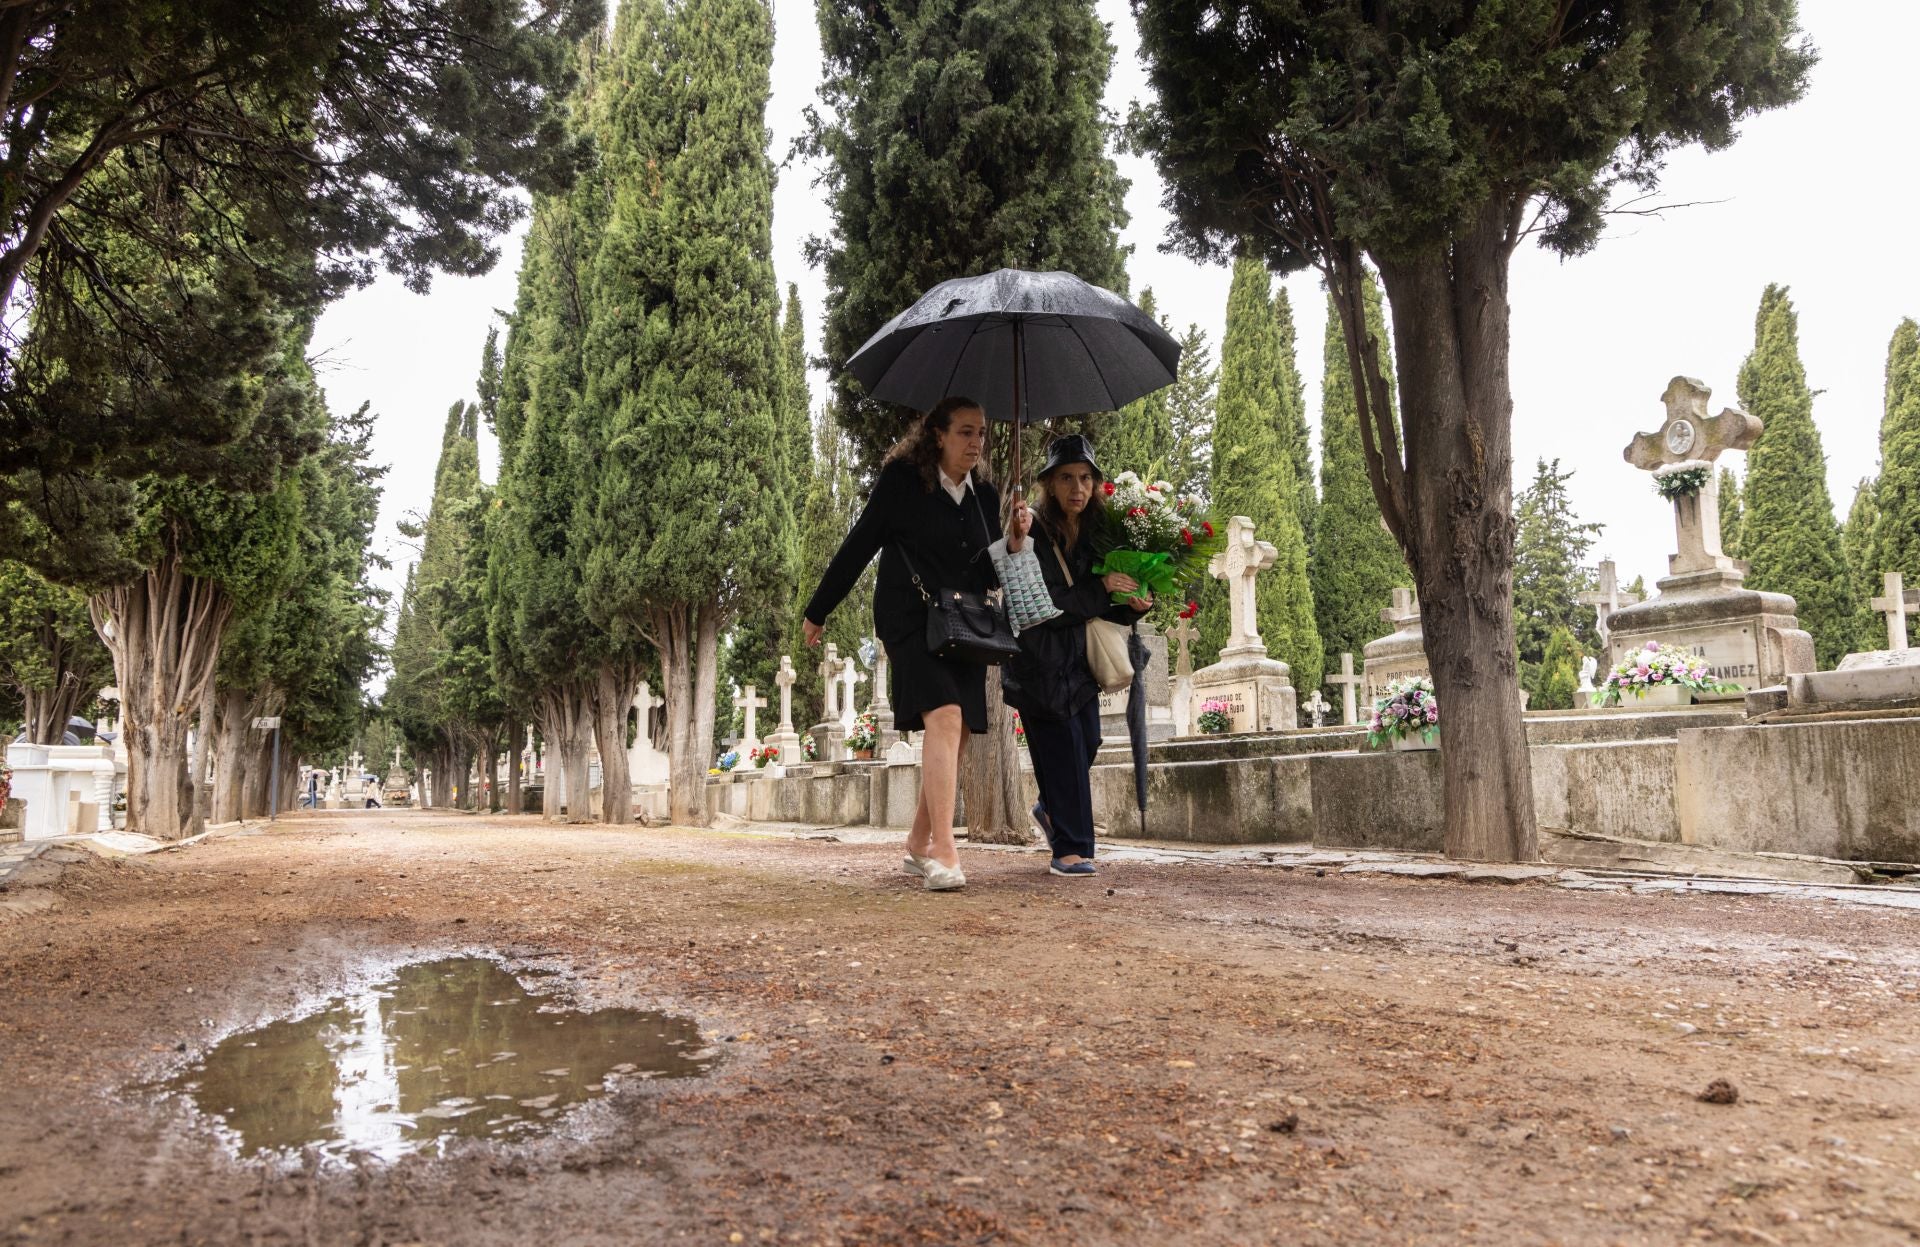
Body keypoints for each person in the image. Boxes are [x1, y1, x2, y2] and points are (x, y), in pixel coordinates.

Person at [802, 396, 1029, 892]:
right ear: (938, 435)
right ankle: (944, 852)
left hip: (966, 625)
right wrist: (819, 609)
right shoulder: (903, 482)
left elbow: (987, 572)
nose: (976, 443)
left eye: (982, 433)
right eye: (965, 432)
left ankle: (917, 842)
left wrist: (1013, 541)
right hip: (909, 617)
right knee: (945, 716)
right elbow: (860, 543)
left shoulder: (986, 495)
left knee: (961, 730)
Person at [999, 434, 1150, 876]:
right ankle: (1072, 847)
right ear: (1048, 482)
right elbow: (1046, 604)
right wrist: (1102, 590)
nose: (1077, 488)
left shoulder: (1098, 532)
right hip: (1039, 661)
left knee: (1088, 741)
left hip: (1078, 661)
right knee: (1062, 748)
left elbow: (1101, 601)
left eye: (1085, 478)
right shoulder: (1030, 531)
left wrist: (1133, 601)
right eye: (1066, 478)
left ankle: (1049, 812)